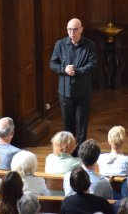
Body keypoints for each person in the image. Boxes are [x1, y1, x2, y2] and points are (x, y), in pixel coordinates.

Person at [50, 18, 97, 155]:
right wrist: (64, 69)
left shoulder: (89, 45)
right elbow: (52, 64)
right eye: (69, 30)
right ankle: (68, 152)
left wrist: (76, 70)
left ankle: (81, 153)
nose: (72, 33)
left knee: (81, 125)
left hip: (83, 91)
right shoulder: (60, 44)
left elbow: (92, 64)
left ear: (81, 29)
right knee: (67, 125)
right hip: (65, 92)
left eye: (75, 30)